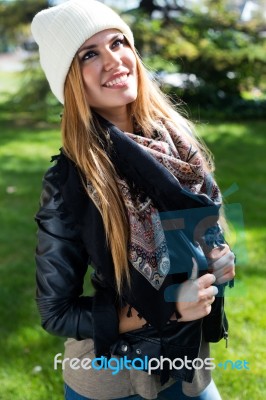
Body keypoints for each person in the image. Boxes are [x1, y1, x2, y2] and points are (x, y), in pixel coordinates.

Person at [31, 1, 235, 399]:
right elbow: (56, 313)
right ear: (71, 80)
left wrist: (218, 259)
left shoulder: (177, 144)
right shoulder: (72, 179)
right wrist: (172, 305)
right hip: (117, 378)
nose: (113, 60)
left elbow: (202, 236)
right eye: (89, 54)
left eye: (118, 42)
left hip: (190, 362)